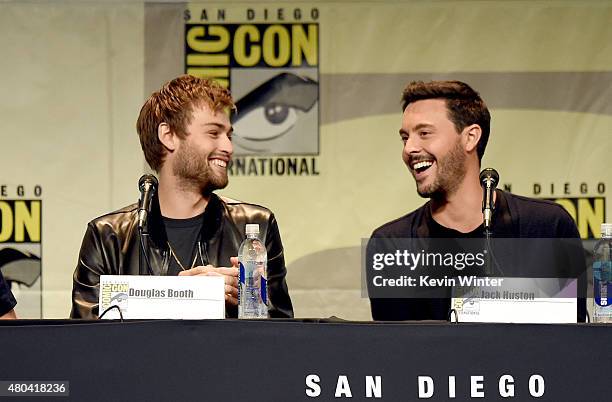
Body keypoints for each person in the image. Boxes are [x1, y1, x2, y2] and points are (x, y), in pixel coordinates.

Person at [71, 75, 293, 319]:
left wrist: (243, 302)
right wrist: (189, 295)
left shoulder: (255, 226)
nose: (228, 147)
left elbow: (281, 334)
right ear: (168, 136)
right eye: (213, 133)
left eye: (229, 135)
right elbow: (85, 341)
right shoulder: (108, 236)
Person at [369, 80, 586, 321]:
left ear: (470, 137)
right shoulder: (391, 245)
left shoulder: (547, 228)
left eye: (424, 133)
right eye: (405, 137)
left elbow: (572, 342)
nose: (409, 148)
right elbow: (394, 351)